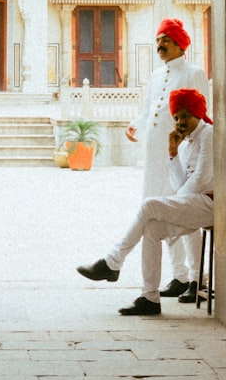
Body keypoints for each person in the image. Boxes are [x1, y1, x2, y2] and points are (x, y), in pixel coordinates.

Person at [76, 86, 214, 315]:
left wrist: (172, 203)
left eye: (185, 116)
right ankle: (150, 298)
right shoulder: (188, 141)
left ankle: (112, 262)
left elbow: (201, 180)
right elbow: (181, 184)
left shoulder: (208, 133)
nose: (180, 121)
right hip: (194, 204)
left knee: (150, 205)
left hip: (210, 204)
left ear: (197, 113)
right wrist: (173, 152)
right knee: (152, 228)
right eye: (177, 117)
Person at [127, 18, 210, 303]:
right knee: (161, 211)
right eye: (158, 40)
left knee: (184, 212)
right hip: (155, 155)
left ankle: (199, 279)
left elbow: (203, 113)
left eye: (166, 40)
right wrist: (136, 124)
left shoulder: (193, 73)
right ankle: (179, 276)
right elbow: (150, 107)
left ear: (179, 44)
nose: (160, 45)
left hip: (182, 156)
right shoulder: (155, 75)